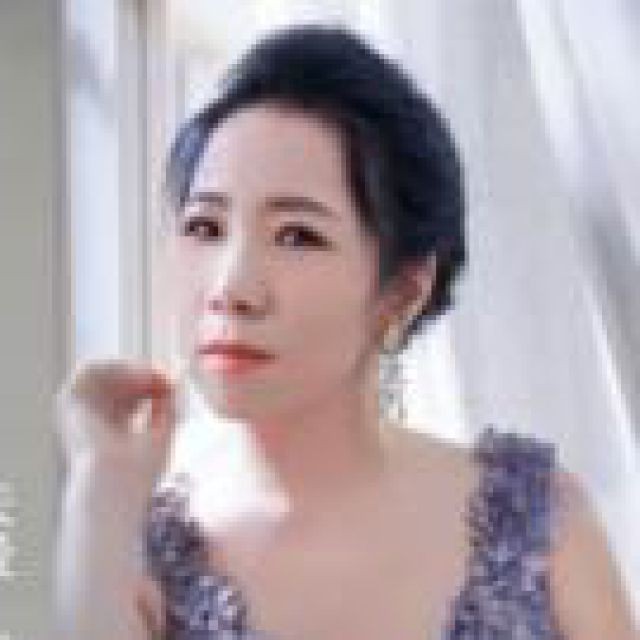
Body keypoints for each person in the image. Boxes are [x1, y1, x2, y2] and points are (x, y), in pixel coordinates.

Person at [53, 23, 638, 640]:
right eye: (205, 227)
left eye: (297, 236)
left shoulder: (541, 525)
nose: (231, 288)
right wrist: (101, 486)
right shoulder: (135, 547)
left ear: (402, 292)